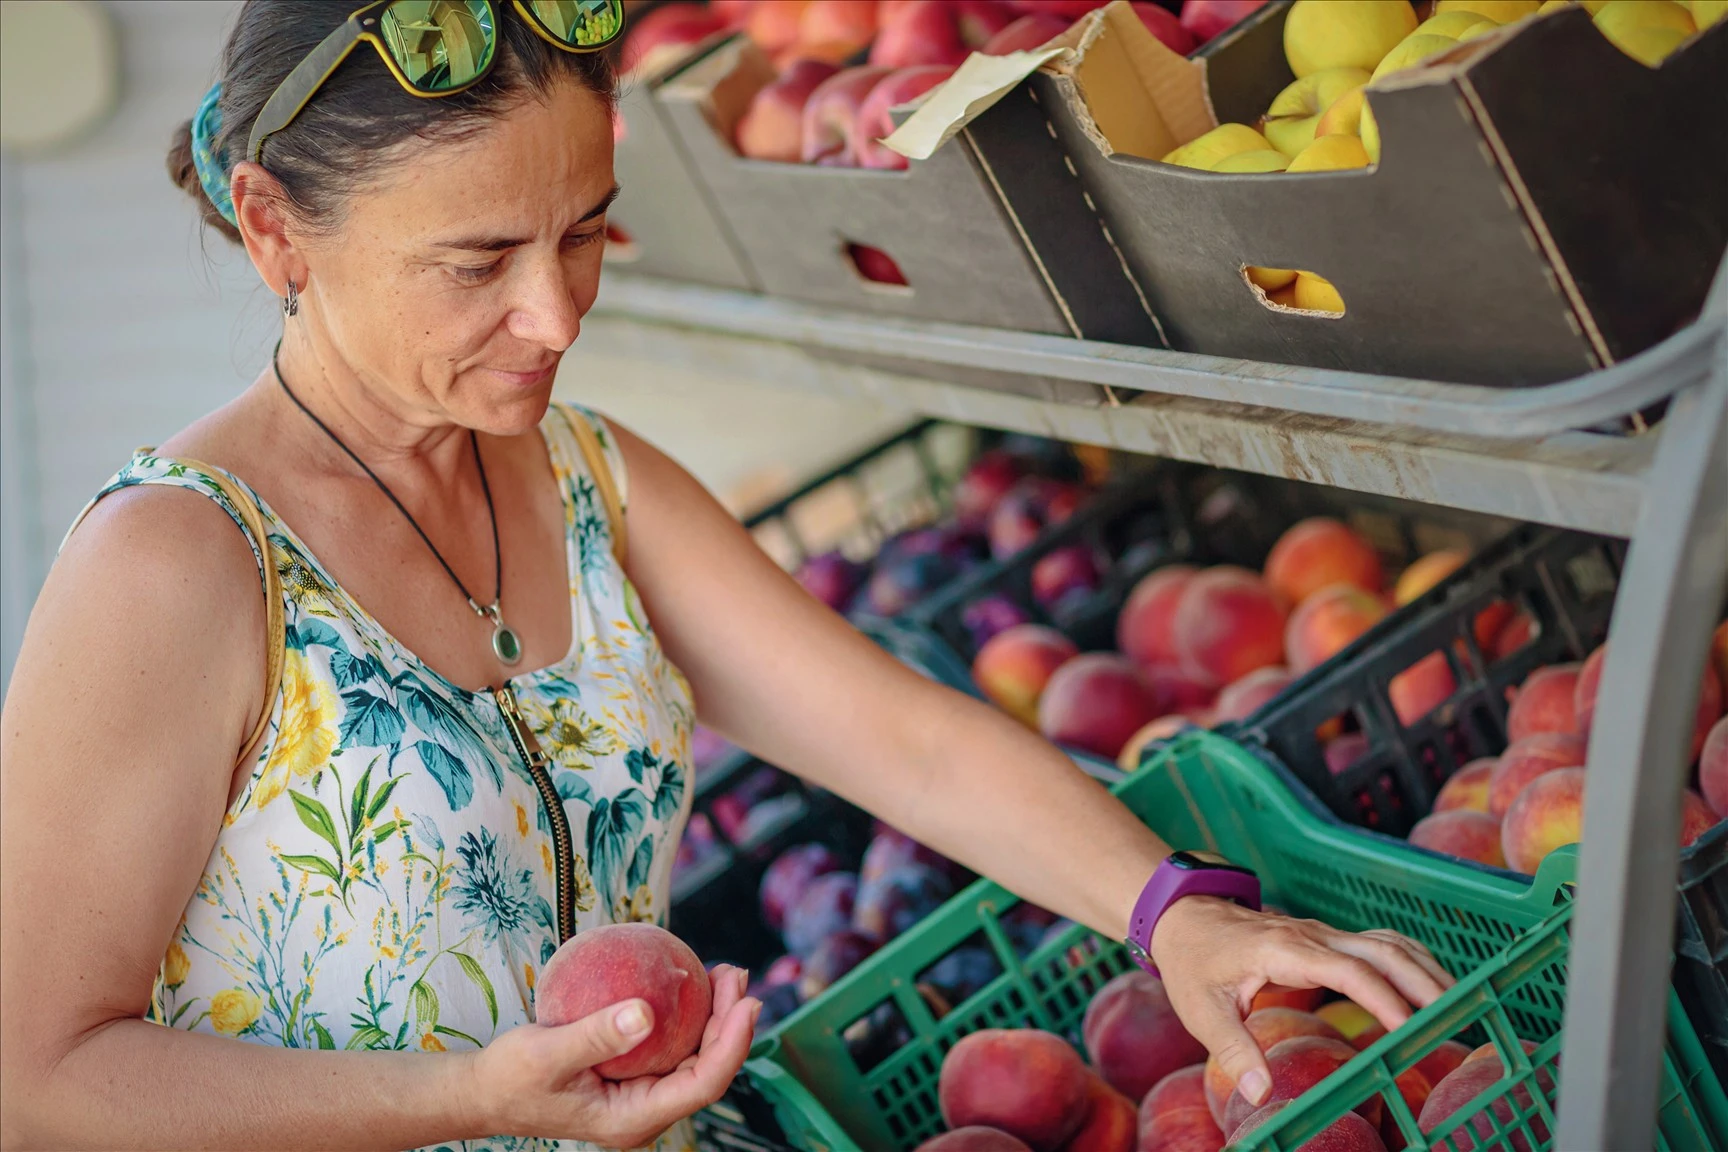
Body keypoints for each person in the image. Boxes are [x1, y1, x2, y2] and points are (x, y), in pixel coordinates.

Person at [0, 3, 1450, 1149]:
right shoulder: (178, 567)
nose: (555, 309)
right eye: (478, 259)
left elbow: (903, 741)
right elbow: (36, 1081)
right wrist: (467, 1099)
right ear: (275, 233)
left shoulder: (588, 481)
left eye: (584, 230)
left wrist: (1174, 910)